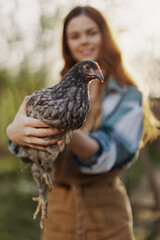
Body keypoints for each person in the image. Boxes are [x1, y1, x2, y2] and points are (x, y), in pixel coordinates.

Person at [7, 6, 159, 240]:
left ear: (106, 37)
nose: (84, 41)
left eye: (91, 32)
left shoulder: (128, 96)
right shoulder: (52, 92)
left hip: (107, 218)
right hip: (59, 216)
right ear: (66, 43)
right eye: (75, 36)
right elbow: (30, 154)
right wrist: (15, 135)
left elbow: (114, 152)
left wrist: (65, 129)